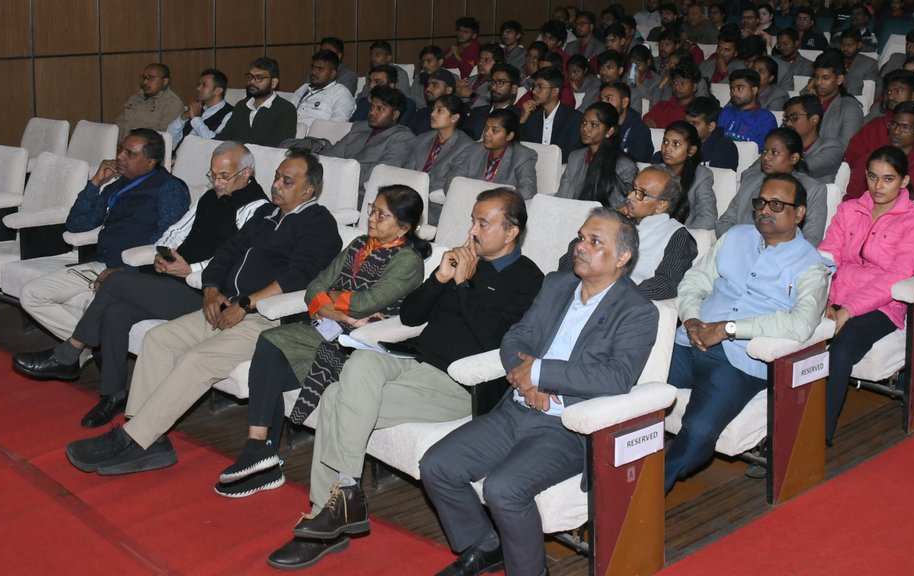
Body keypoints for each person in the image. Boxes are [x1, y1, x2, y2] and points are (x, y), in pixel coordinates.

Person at [265, 188, 544, 568]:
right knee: (358, 365)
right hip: (414, 362)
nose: (473, 230)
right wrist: (440, 278)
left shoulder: (528, 280)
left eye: (483, 222)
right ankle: (341, 500)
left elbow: (495, 340)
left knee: (333, 399)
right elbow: (412, 318)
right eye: (472, 220)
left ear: (511, 232)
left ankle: (324, 519)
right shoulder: (460, 262)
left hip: (460, 385)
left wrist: (464, 284)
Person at [65, 152, 343, 475]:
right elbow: (229, 250)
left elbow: (300, 276)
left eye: (287, 181)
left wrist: (246, 304)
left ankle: (130, 438)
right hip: (225, 305)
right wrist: (210, 288)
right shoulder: (267, 213)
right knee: (158, 339)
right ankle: (147, 441)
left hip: (266, 319)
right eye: (277, 176)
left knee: (198, 358)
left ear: (309, 192)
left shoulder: (319, 223)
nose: (276, 184)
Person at [419, 208, 657, 576]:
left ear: (623, 257)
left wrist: (542, 374)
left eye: (595, 242)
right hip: (516, 409)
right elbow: (516, 336)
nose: (581, 247)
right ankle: (485, 546)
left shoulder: (638, 310)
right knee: (437, 465)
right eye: (581, 237)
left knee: (503, 489)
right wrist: (526, 379)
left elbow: (617, 377)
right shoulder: (556, 284)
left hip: (566, 426)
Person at [11, 142, 262, 427]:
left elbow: (236, 259)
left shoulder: (257, 208)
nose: (216, 182)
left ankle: (71, 351)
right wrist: (164, 255)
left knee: (115, 281)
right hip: (174, 279)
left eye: (224, 176)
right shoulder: (210, 196)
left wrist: (190, 269)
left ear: (247, 173)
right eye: (212, 175)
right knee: (116, 312)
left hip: (204, 292)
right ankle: (113, 394)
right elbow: (175, 231)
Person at [216, 185, 431, 499]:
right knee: (270, 350)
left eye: (382, 216)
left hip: (362, 344)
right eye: (372, 210)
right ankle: (259, 453)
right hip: (329, 328)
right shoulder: (360, 244)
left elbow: (368, 302)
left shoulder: (407, 261)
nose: (372, 218)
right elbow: (315, 283)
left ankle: (261, 455)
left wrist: (329, 301)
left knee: (271, 355)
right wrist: (334, 304)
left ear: (404, 227)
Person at [667, 174, 832, 491]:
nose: (764, 210)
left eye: (777, 205)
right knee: (624, 380)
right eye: (761, 203)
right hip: (690, 341)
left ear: (799, 213)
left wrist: (729, 330)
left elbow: (800, 324)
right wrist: (690, 318)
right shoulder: (735, 237)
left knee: (699, 431)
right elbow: (694, 282)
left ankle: (639, 496)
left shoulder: (811, 265)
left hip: (740, 362)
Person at [17, 130, 190, 344]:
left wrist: (126, 271)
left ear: (150, 162)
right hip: (100, 264)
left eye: (130, 154)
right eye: (121, 150)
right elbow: (78, 224)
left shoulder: (169, 188)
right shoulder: (119, 184)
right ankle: (89, 344)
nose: (120, 157)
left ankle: (75, 349)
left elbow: (168, 241)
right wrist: (96, 182)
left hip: (135, 273)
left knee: (95, 307)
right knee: (31, 294)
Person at [822, 147, 914, 443]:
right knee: (792, 335)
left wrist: (847, 311)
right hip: (835, 296)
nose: (878, 186)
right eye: (872, 177)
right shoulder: (849, 210)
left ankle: (816, 436)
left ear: (904, 181)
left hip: (883, 305)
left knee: (842, 348)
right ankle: (777, 424)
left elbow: (896, 277)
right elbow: (827, 256)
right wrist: (823, 300)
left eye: (888, 179)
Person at [557, 166, 696, 300]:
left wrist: (614, 294)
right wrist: (609, 218)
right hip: (579, 293)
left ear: (661, 205)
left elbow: (667, 283)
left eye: (641, 193)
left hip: (621, 304)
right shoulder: (616, 222)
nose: (630, 196)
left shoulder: (677, 235)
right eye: (632, 188)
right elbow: (572, 258)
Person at [717, 127, 827, 245]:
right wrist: (741, 246)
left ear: (794, 158)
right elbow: (725, 222)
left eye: (775, 152)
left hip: (784, 258)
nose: (766, 157)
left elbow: (811, 239)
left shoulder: (812, 189)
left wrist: (767, 251)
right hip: (739, 250)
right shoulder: (750, 181)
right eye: (764, 151)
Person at [323, 87, 416, 189]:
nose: (372, 112)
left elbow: (380, 174)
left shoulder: (403, 138)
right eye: (372, 107)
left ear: (395, 115)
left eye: (380, 109)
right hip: (333, 182)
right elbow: (330, 155)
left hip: (364, 193)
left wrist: (337, 172)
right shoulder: (360, 127)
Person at [845, 103, 914, 201]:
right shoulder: (869, 159)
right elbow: (851, 198)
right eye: (894, 124)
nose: (896, 131)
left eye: (905, 127)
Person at [556, 103, 637, 207]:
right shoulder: (575, 157)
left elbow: (618, 208)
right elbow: (561, 198)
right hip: (571, 215)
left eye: (593, 125)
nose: (585, 128)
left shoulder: (624, 166)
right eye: (584, 122)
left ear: (609, 131)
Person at [411, 95, 476, 223]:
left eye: (439, 110)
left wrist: (416, 189)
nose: (433, 114)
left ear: (454, 118)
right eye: (433, 109)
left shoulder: (466, 146)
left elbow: (450, 182)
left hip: (435, 205)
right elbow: (408, 168)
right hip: (410, 197)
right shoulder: (423, 138)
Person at [649, 121, 716, 229]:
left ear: (691, 151)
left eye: (676, 144)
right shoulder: (654, 171)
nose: (667, 149)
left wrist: (682, 236)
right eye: (665, 142)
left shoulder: (701, 176)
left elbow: (708, 218)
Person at [220, 57, 298, 147]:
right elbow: (223, 138)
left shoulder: (286, 109)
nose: (252, 82)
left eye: (259, 78)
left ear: (273, 83)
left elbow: (279, 148)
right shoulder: (241, 106)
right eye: (250, 77)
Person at [518, 65, 582, 158]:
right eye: (534, 87)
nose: (534, 91)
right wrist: (522, 120)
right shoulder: (532, 116)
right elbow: (523, 150)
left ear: (555, 91)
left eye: (540, 87)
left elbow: (573, 155)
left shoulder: (574, 119)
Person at [113, 63, 185, 142]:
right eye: (144, 78)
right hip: (119, 144)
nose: (145, 82)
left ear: (165, 81)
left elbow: (163, 137)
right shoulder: (137, 97)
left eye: (151, 78)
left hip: (143, 149)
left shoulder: (172, 104)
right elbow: (120, 123)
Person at [166, 68, 232, 150]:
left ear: (217, 91)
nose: (198, 88)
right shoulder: (197, 108)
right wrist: (183, 117)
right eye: (199, 84)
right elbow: (169, 137)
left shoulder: (231, 114)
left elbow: (215, 142)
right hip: (177, 157)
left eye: (204, 85)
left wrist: (196, 118)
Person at [783, 95, 845, 183]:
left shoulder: (833, 148)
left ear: (814, 120)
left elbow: (805, 168)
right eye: (787, 119)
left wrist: (778, 160)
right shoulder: (782, 144)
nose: (788, 123)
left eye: (794, 117)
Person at [810, 50, 864, 147]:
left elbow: (844, 148)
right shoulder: (808, 102)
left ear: (839, 80)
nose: (818, 82)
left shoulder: (850, 109)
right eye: (816, 77)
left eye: (825, 78)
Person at [718, 69, 779, 151]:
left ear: (754, 90)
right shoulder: (726, 112)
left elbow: (758, 151)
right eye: (732, 89)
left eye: (740, 88)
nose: (734, 93)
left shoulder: (766, 119)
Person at [293, 51, 357, 126]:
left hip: (315, 136)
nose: (314, 72)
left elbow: (337, 125)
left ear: (332, 74)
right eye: (313, 68)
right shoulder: (304, 88)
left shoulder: (340, 93)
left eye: (320, 69)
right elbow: (286, 112)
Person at [598, 80, 653, 163]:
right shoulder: (598, 124)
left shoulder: (640, 131)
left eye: (609, 99)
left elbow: (638, 165)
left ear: (624, 102)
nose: (603, 104)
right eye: (601, 99)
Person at [463, 63, 521, 139]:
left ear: (513, 89)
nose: (493, 87)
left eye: (501, 82)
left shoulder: (518, 118)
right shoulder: (477, 112)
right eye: (492, 82)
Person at [684, 96, 740, 170]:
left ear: (711, 126)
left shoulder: (726, 149)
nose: (688, 127)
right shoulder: (679, 142)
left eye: (694, 124)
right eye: (686, 122)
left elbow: (718, 179)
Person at [352, 64, 417, 124]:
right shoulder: (363, 102)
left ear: (391, 85)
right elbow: (352, 126)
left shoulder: (407, 105)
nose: (371, 86)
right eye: (370, 81)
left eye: (377, 82)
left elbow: (398, 129)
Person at [644, 61, 701, 129]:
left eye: (683, 83)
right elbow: (647, 117)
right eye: (675, 82)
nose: (677, 86)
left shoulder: (698, 111)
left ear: (694, 87)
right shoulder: (662, 106)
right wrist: (647, 120)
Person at [405, 69, 458, 134]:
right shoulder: (421, 113)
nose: (428, 89)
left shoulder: (457, 114)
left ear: (448, 90)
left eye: (435, 85)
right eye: (428, 84)